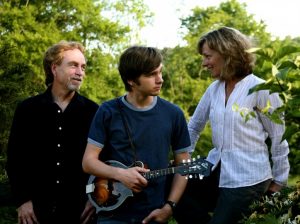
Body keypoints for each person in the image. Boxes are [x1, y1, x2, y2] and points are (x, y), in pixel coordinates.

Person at [174, 27, 290, 224]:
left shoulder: (261, 90)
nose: (204, 63)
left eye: (208, 56)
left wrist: (279, 181)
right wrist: (182, 159)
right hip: (215, 167)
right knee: (171, 187)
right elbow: (194, 127)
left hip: (248, 178)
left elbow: (279, 137)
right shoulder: (214, 89)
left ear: (227, 53)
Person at [82, 46, 192, 224]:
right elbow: (88, 162)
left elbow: (184, 165)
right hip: (112, 213)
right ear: (131, 80)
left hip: (153, 214)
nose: (160, 79)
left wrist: (169, 207)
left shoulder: (173, 114)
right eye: (151, 75)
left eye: (160, 72)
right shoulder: (107, 111)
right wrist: (121, 174)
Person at [6, 41, 98, 224]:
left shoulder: (94, 111)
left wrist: (95, 199)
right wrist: (23, 201)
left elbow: (103, 160)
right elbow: (15, 159)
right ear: (54, 68)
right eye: (73, 65)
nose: (80, 72)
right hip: (36, 213)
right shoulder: (27, 109)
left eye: (83, 67)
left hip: (81, 214)